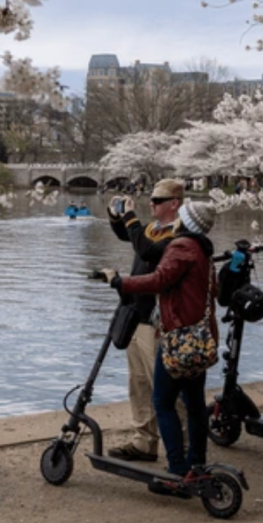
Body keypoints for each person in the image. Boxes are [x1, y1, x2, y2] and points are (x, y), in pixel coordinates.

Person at [105, 199, 218, 477]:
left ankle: (178, 468)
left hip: (179, 338)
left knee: (163, 401)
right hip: (199, 337)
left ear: (186, 220)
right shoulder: (203, 249)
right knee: (194, 404)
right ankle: (196, 463)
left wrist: (120, 282)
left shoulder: (180, 246)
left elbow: (158, 279)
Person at [104, 178, 185, 462]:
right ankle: (144, 441)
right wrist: (116, 217)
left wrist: (130, 217)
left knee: (164, 386)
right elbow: (132, 238)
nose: (151, 204)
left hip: (158, 321)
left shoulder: (179, 235)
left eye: (158, 201)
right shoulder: (153, 228)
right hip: (137, 316)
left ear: (174, 203)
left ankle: (183, 446)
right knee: (138, 383)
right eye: (151, 200)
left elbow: (148, 250)